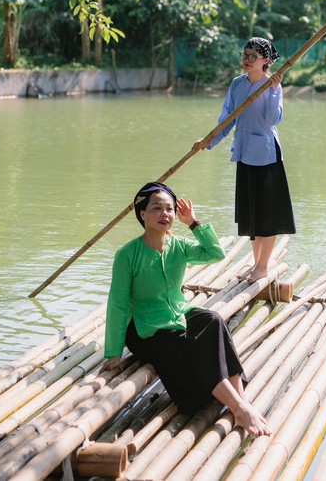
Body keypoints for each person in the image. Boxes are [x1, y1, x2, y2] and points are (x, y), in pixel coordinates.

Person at [100, 181, 270, 438]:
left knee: (213, 320)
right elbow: (118, 304)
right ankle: (240, 409)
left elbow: (215, 253)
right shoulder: (127, 255)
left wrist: (192, 222)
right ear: (142, 214)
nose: (165, 214)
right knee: (186, 344)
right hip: (146, 327)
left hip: (178, 313)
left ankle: (241, 401)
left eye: (169, 209)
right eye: (157, 208)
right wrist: (113, 352)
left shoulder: (178, 245)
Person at [195, 37, 295, 284]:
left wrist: (272, 91)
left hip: (266, 157)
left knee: (267, 215)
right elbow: (226, 119)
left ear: (266, 61)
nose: (247, 60)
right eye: (245, 55)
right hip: (244, 155)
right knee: (251, 214)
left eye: (253, 57)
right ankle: (255, 263)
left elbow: (273, 119)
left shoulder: (273, 85)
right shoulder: (237, 84)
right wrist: (208, 141)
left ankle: (262, 267)